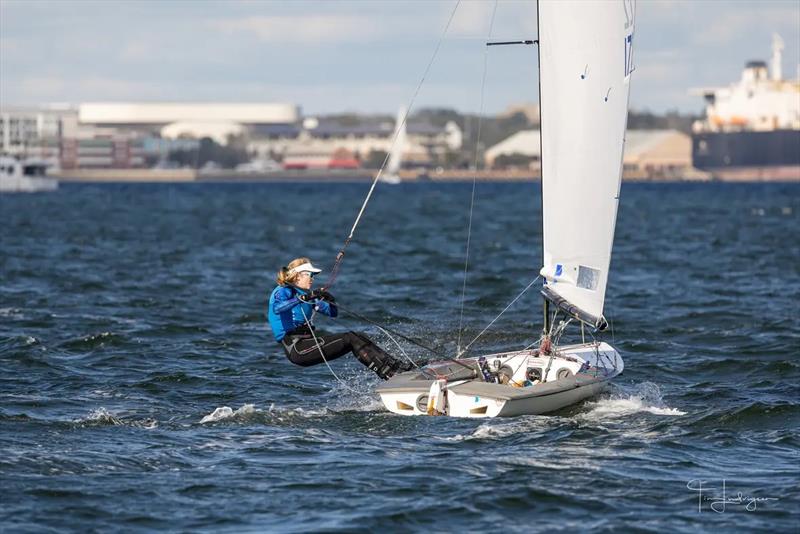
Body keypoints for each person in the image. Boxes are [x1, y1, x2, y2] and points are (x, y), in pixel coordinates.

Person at [267, 257, 414, 380]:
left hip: (307, 343)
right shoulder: (283, 291)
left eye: (313, 276)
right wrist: (304, 297)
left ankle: (396, 366)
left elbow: (332, 313)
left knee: (358, 337)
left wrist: (330, 300)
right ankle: (390, 374)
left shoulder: (308, 296)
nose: (312, 279)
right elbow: (278, 308)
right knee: (350, 338)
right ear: (298, 275)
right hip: (297, 348)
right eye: (310, 275)